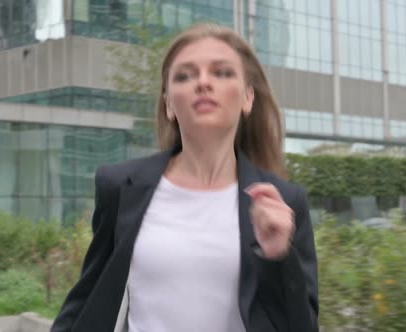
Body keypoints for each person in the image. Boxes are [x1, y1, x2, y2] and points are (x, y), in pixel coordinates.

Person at [51, 23, 318, 332]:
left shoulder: (281, 203)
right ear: (168, 104)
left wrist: (278, 257)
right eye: (184, 75)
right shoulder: (121, 187)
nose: (203, 82)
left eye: (222, 73)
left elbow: (303, 327)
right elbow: (86, 301)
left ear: (247, 98)